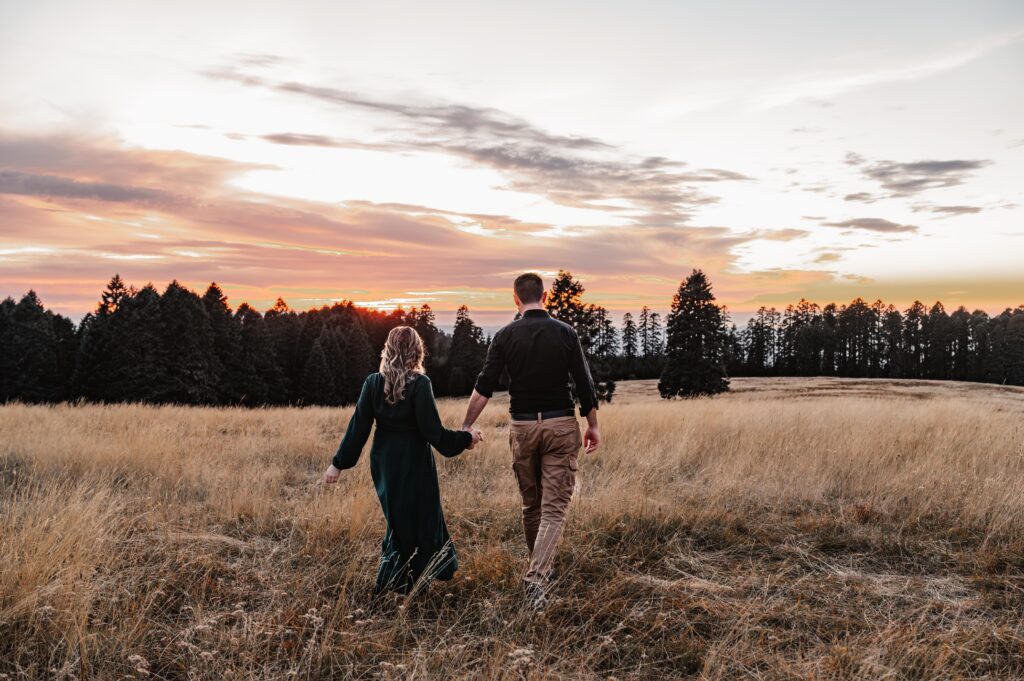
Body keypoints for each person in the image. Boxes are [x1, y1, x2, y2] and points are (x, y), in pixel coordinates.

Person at [460, 272, 600, 609]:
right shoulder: (566, 333)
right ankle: (537, 577)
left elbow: (484, 385)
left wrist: (466, 425)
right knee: (553, 508)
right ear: (545, 296)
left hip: (522, 428)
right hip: (560, 426)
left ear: (515, 299)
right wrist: (592, 425)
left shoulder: (506, 336)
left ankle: (539, 566)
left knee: (531, 505)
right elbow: (584, 383)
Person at [323, 325, 483, 596]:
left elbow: (358, 428)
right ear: (416, 351)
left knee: (398, 521)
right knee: (421, 520)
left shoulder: (373, 382)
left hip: (384, 463)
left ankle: (405, 584)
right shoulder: (420, 384)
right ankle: (401, 585)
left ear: (388, 350)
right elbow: (434, 433)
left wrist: (338, 464)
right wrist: (468, 439)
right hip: (414, 463)